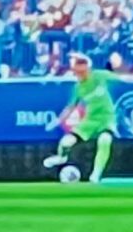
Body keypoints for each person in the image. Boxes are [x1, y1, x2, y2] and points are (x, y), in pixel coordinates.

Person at [43, 50, 118, 183]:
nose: (78, 74)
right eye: (76, 72)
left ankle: (95, 175)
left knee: (105, 140)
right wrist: (58, 120)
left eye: (80, 71)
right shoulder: (78, 88)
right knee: (66, 142)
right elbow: (70, 107)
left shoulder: (99, 76)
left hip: (106, 119)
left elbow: (122, 78)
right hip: (90, 121)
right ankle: (61, 157)